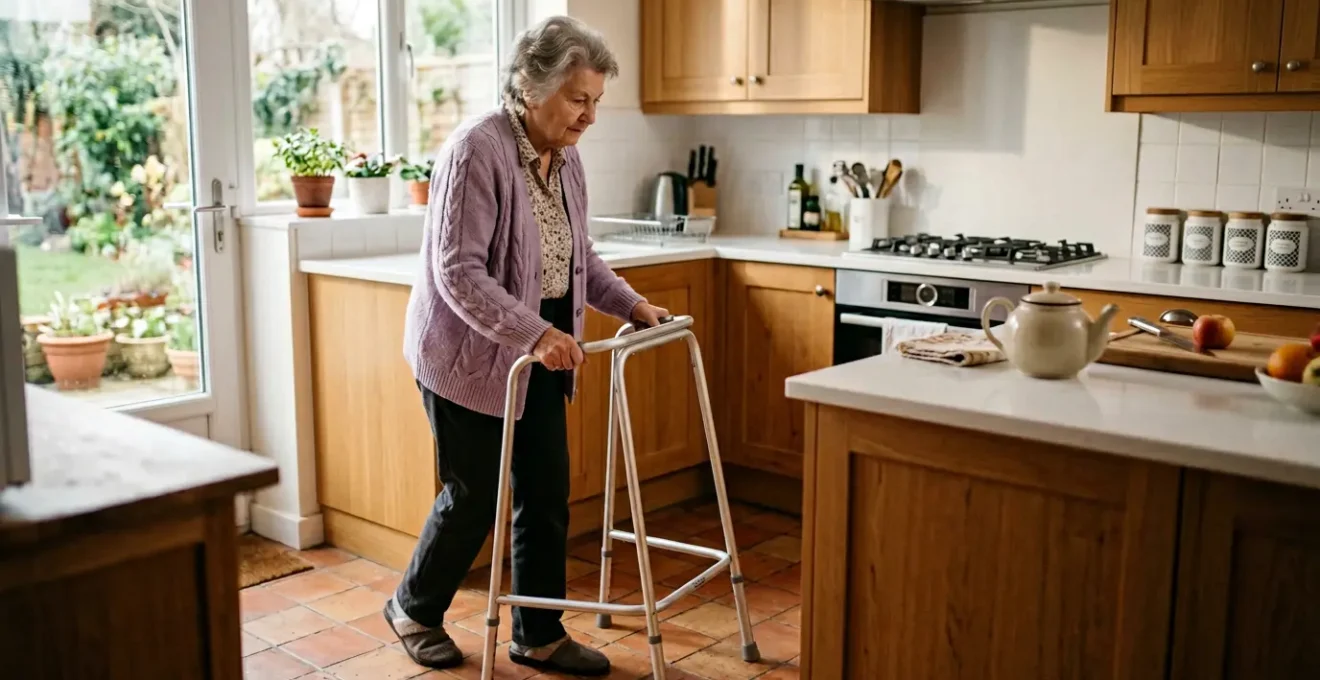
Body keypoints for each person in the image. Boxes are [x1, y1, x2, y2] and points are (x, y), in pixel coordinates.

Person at [386, 15, 668, 677]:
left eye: (595, 100)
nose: (589, 116)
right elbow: (459, 272)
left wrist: (631, 304)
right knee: (474, 493)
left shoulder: (566, 159)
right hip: (468, 351)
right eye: (578, 99)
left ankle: (537, 633)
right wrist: (536, 334)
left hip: (542, 347)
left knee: (544, 492)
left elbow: (577, 258)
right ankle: (413, 608)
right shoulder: (476, 150)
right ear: (530, 86)